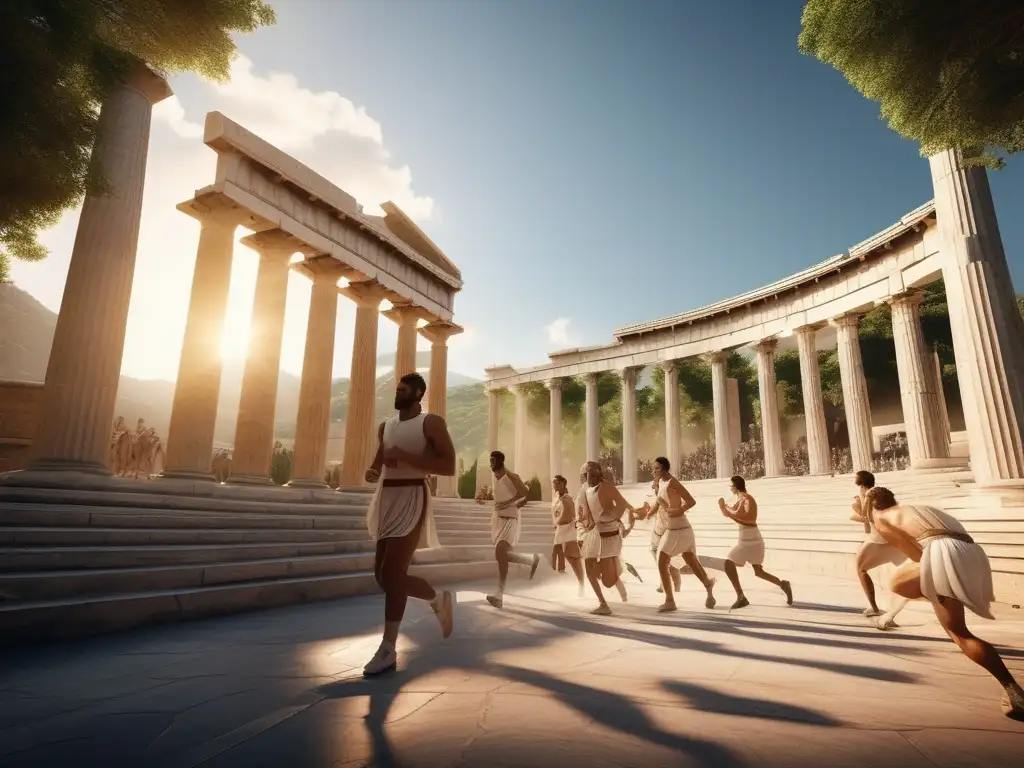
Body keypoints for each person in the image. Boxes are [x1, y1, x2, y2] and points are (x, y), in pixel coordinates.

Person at [866, 487, 1024, 720]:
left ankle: (1015, 693)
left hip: (943, 552)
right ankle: (937, 593)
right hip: (970, 550)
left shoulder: (881, 519)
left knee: (958, 632)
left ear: (872, 505)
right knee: (907, 587)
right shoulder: (915, 508)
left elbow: (916, 555)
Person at [362, 373, 456, 677]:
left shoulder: (431, 423)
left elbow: (448, 465)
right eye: (397, 389)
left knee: (392, 574)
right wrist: (374, 470)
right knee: (382, 577)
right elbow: (380, 457)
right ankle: (436, 598)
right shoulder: (386, 425)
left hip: (413, 495)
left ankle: (388, 648)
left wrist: (406, 457)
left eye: (403, 390)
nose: (397, 393)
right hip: (385, 498)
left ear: (418, 393)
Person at [639, 457, 716, 612]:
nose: (653, 471)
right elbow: (658, 501)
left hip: (679, 529)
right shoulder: (660, 483)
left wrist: (677, 510)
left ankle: (670, 600)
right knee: (691, 561)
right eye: (653, 469)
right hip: (675, 529)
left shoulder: (673, 482)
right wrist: (649, 513)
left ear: (665, 469)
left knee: (662, 559)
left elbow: (690, 501)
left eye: (657, 469)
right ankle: (708, 585)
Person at [718, 475, 792, 609]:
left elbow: (748, 518)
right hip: (747, 539)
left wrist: (725, 510)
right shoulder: (740, 500)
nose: (730, 489)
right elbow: (732, 512)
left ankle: (741, 596)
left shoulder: (747, 499)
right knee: (758, 571)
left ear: (735, 487)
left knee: (729, 564)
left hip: (750, 539)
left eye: (731, 486)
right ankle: (782, 584)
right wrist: (723, 507)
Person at [850, 470, 908, 630]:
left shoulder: (869, 495)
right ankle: (886, 611)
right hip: (888, 537)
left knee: (861, 569)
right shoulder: (878, 492)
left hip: (878, 539)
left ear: (861, 484)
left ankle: (875, 608)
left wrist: (855, 508)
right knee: (898, 572)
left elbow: (866, 517)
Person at [578, 460, 636, 615]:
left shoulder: (606, 487)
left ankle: (616, 570)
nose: (589, 476)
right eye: (587, 473)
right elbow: (586, 514)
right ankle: (603, 603)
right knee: (589, 566)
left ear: (598, 473)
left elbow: (623, 505)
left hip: (610, 537)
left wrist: (608, 517)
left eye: (592, 473)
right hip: (597, 535)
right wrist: (585, 526)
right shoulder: (587, 490)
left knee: (608, 581)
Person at [483, 451, 540, 609]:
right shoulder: (494, 477)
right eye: (490, 460)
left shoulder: (512, 476)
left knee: (500, 553)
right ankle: (529, 559)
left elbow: (525, 492)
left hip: (511, 518)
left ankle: (499, 594)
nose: (491, 463)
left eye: (493, 460)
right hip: (498, 519)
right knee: (502, 554)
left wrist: (511, 502)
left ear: (501, 461)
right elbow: (499, 496)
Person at [551, 474, 585, 596]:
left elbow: (568, 515)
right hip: (560, 529)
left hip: (568, 529)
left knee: (572, 557)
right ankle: (557, 579)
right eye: (554, 483)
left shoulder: (567, 499)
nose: (555, 485)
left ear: (563, 484)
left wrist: (558, 521)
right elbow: (557, 514)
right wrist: (556, 523)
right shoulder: (557, 498)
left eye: (557, 483)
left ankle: (581, 585)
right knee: (556, 552)